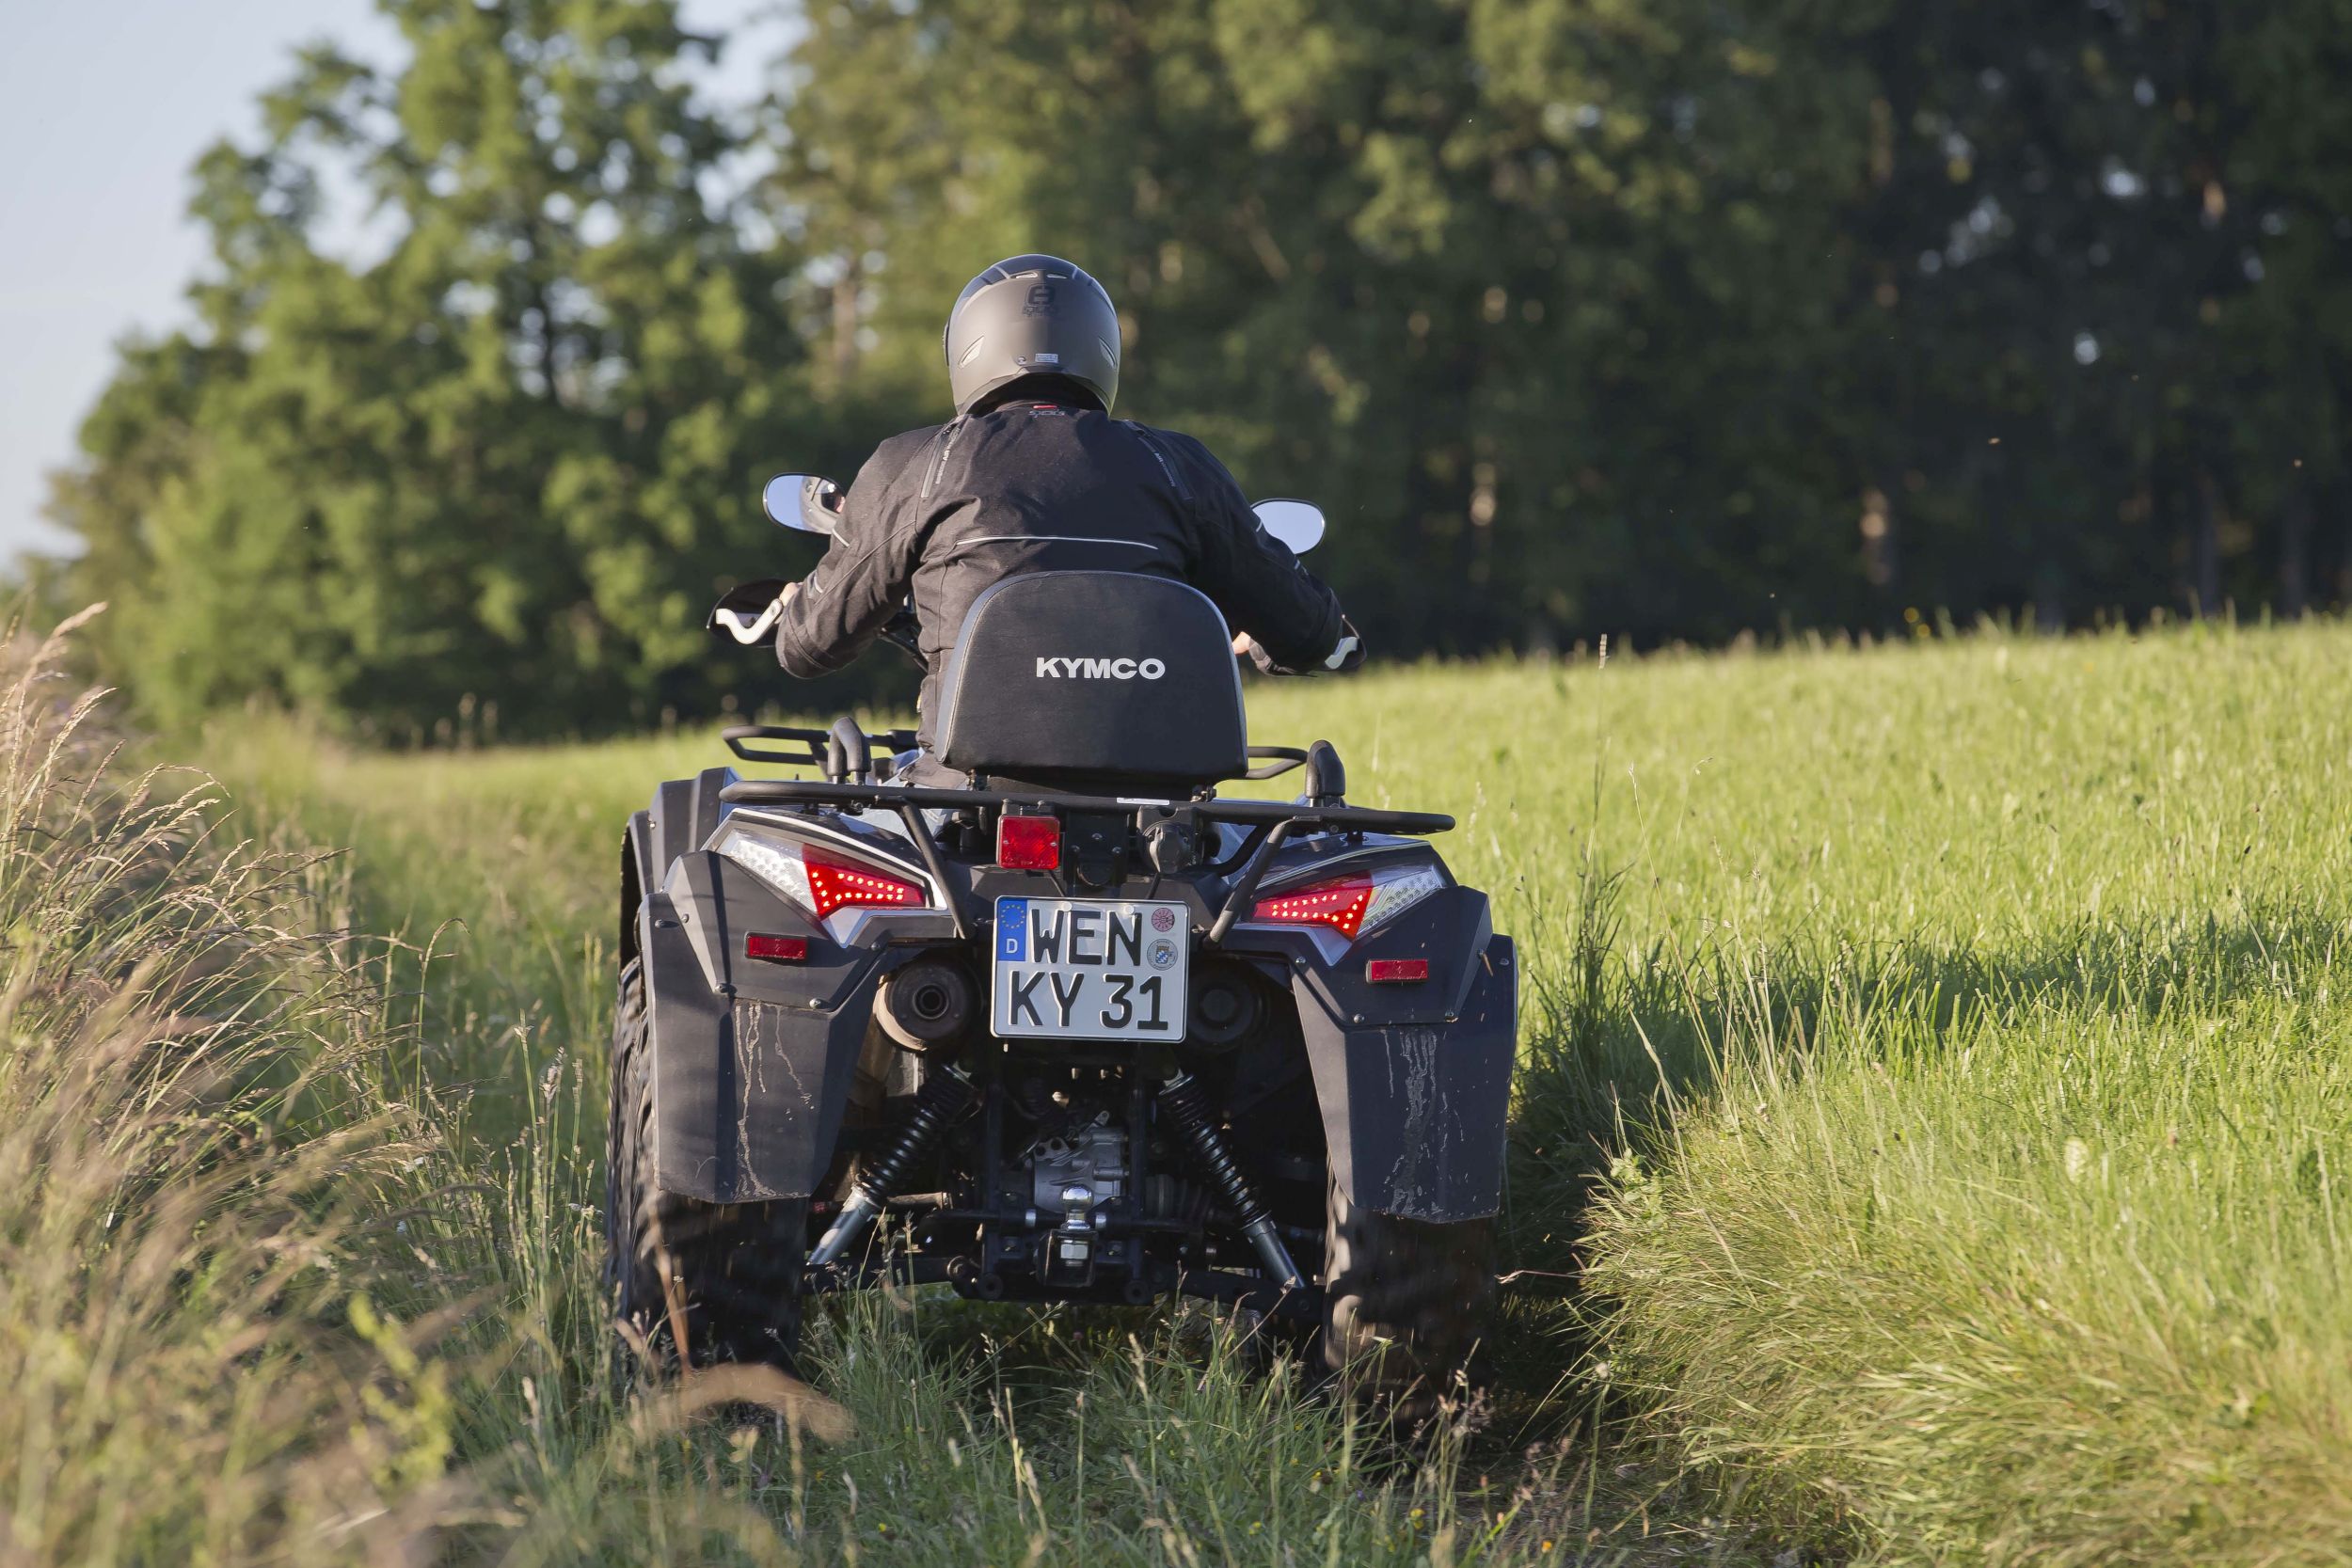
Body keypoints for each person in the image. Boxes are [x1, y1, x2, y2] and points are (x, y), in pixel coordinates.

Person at [732, 254, 1361, 782]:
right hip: (1153, 809)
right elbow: (1314, 635)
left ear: (967, 348)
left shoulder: (919, 463)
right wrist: (1270, 636)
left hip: (964, 794)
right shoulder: (1177, 464)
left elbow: (811, 647)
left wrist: (796, 606)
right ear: (1102, 347)